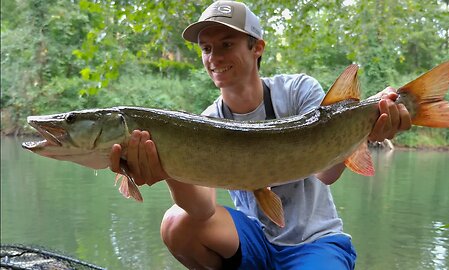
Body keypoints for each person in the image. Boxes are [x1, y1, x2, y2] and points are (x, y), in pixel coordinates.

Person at [109, 1, 412, 269]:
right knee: (176, 223)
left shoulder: (298, 90)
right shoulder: (208, 120)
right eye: (206, 48)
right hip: (252, 240)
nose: (214, 57)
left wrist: (368, 126)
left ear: (257, 47)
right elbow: (202, 210)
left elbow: (326, 172)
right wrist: (168, 166)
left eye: (226, 44)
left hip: (315, 242)